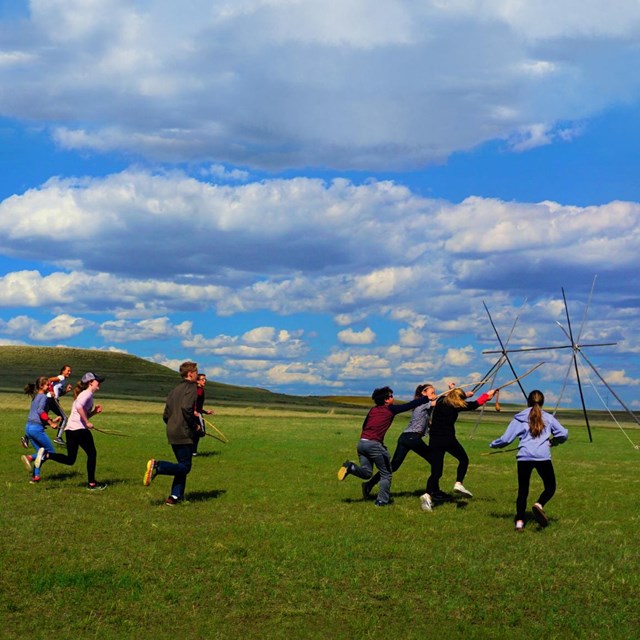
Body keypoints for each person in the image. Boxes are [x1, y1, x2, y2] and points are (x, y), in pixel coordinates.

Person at [337, 385, 433, 507]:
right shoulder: (390, 409)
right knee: (386, 474)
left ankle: (350, 467)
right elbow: (409, 405)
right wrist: (426, 398)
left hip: (362, 443)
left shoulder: (372, 410)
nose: (393, 398)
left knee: (367, 473)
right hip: (373, 445)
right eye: (391, 396)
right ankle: (382, 500)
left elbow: (365, 425)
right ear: (386, 400)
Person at [489, 389, 568, 531]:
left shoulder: (519, 418)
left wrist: (493, 445)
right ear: (542, 402)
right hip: (542, 457)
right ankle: (539, 504)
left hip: (524, 457)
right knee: (550, 487)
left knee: (523, 491)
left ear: (528, 402)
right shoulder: (548, 418)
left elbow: (506, 439)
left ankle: (519, 522)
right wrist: (553, 441)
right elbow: (563, 434)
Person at [421, 383, 496, 511]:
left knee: (436, 471)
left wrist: (454, 390)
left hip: (434, 439)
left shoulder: (440, 400)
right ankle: (458, 483)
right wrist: (487, 396)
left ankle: (427, 495)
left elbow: (454, 396)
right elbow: (475, 404)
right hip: (448, 439)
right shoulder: (456, 405)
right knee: (463, 459)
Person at [361, 383, 436, 500]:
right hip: (412, 438)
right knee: (435, 461)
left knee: (393, 466)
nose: (434, 395)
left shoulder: (423, 403)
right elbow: (442, 403)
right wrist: (454, 393)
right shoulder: (424, 403)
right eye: (432, 392)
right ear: (424, 393)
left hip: (405, 438)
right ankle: (433, 492)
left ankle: (368, 485)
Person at [143, 361, 199, 505]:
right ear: (190, 374)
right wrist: (194, 425)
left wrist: (173, 424)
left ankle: (174, 497)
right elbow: (187, 408)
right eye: (196, 373)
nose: (197, 376)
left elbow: (165, 415)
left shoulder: (175, 390)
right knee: (185, 467)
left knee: (182, 465)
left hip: (172, 431)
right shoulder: (192, 387)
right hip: (183, 432)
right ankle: (158, 466)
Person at [41, 372, 108, 490]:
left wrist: (93, 413)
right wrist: (87, 423)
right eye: (98, 381)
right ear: (90, 382)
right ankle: (92, 484)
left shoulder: (85, 395)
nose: (100, 384)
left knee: (70, 459)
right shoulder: (86, 394)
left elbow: (81, 413)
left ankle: (46, 455)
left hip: (70, 430)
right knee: (92, 453)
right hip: (79, 429)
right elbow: (79, 408)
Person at [20, 376, 62, 483]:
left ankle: (35, 477)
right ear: (41, 386)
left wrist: (53, 420)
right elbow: (40, 411)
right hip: (36, 429)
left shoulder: (36, 397)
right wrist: (50, 422)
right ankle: (30, 458)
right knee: (50, 452)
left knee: (40, 453)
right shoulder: (43, 397)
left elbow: (37, 415)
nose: (49, 386)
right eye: (47, 384)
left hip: (28, 428)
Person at [47, 364, 73, 446]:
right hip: (52, 400)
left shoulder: (63, 380)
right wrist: (51, 390)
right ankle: (58, 437)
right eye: (68, 370)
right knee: (65, 418)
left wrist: (66, 391)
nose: (69, 372)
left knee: (41, 417)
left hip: (48, 400)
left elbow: (58, 394)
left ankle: (27, 437)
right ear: (63, 371)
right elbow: (49, 380)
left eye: (70, 371)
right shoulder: (61, 377)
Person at [192, 373, 215, 456]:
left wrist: (205, 412)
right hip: (195, 414)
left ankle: (192, 451)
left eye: (205, 379)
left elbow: (198, 405)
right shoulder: (198, 390)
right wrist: (194, 411)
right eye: (202, 379)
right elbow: (193, 401)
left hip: (197, 413)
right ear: (197, 381)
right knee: (200, 432)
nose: (204, 381)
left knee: (197, 432)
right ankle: (192, 451)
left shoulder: (199, 389)